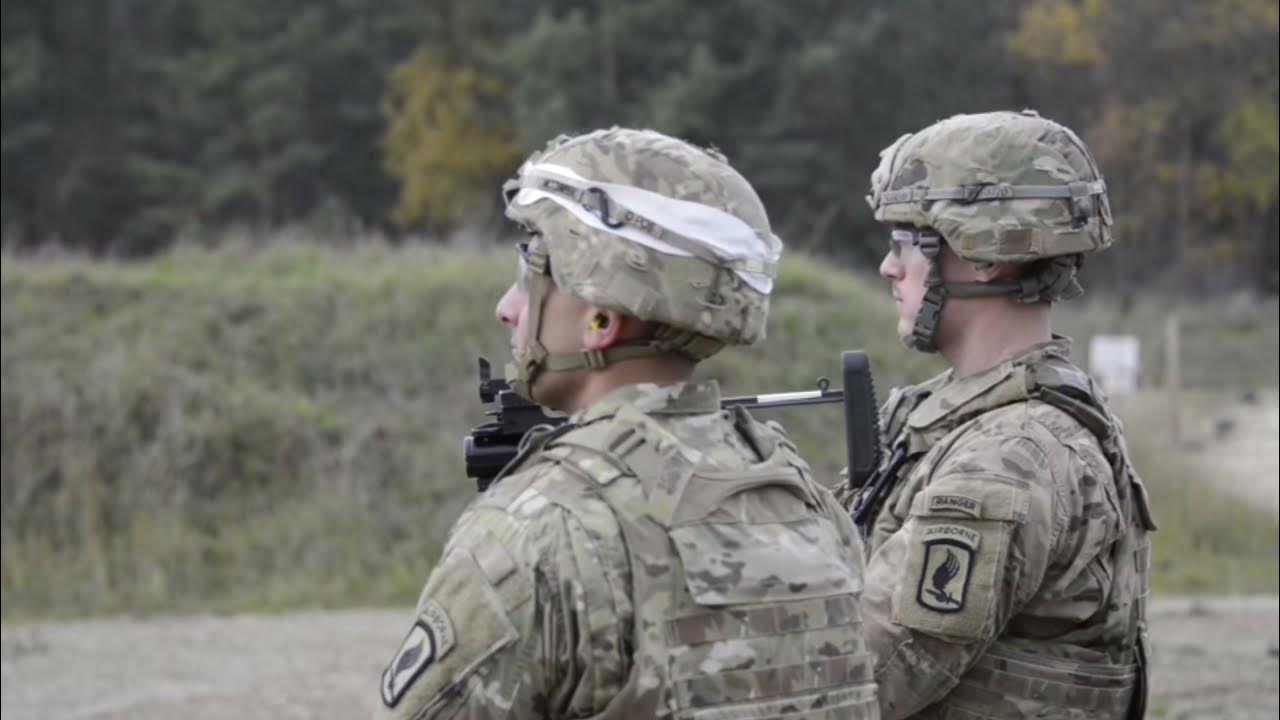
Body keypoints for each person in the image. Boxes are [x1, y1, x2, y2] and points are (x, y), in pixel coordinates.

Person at [377, 128, 879, 720]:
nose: (507, 308)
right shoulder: (805, 503)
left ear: (601, 320)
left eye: (531, 275)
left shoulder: (539, 528)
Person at [842, 110, 1157, 719]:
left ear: (987, 257)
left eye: (908, 242)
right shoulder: (972, 413)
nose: (889, 267)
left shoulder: (1005, 460)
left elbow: (857, 683)